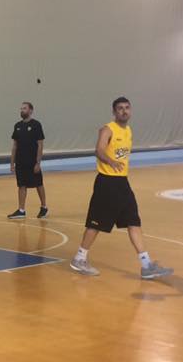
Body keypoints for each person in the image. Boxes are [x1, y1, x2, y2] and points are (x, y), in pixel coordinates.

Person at [70, 97, 173, 279]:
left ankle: (146, 265)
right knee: (96, 223)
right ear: (114, 112)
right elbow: (99, 150)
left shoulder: (128, 130)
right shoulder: (108, 129)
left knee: (134, 221)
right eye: (120, 108)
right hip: (107, 182)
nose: (124, 111)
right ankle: (79, 258)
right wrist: (111, 162)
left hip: (122, 183)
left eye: (127, 108)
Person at [8, 102, 47, 219]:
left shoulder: (36, 125)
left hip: (32, 162)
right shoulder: (17, 126)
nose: (22, 110)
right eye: (21, 108)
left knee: (38, 184)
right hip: (20, 162)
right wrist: (12, 163)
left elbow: (40, 145)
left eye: (24, 108)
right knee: (21, 185)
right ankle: (21, 210)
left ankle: (44, 207)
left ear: (30, 110)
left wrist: (38, 163)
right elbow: (15, 145)